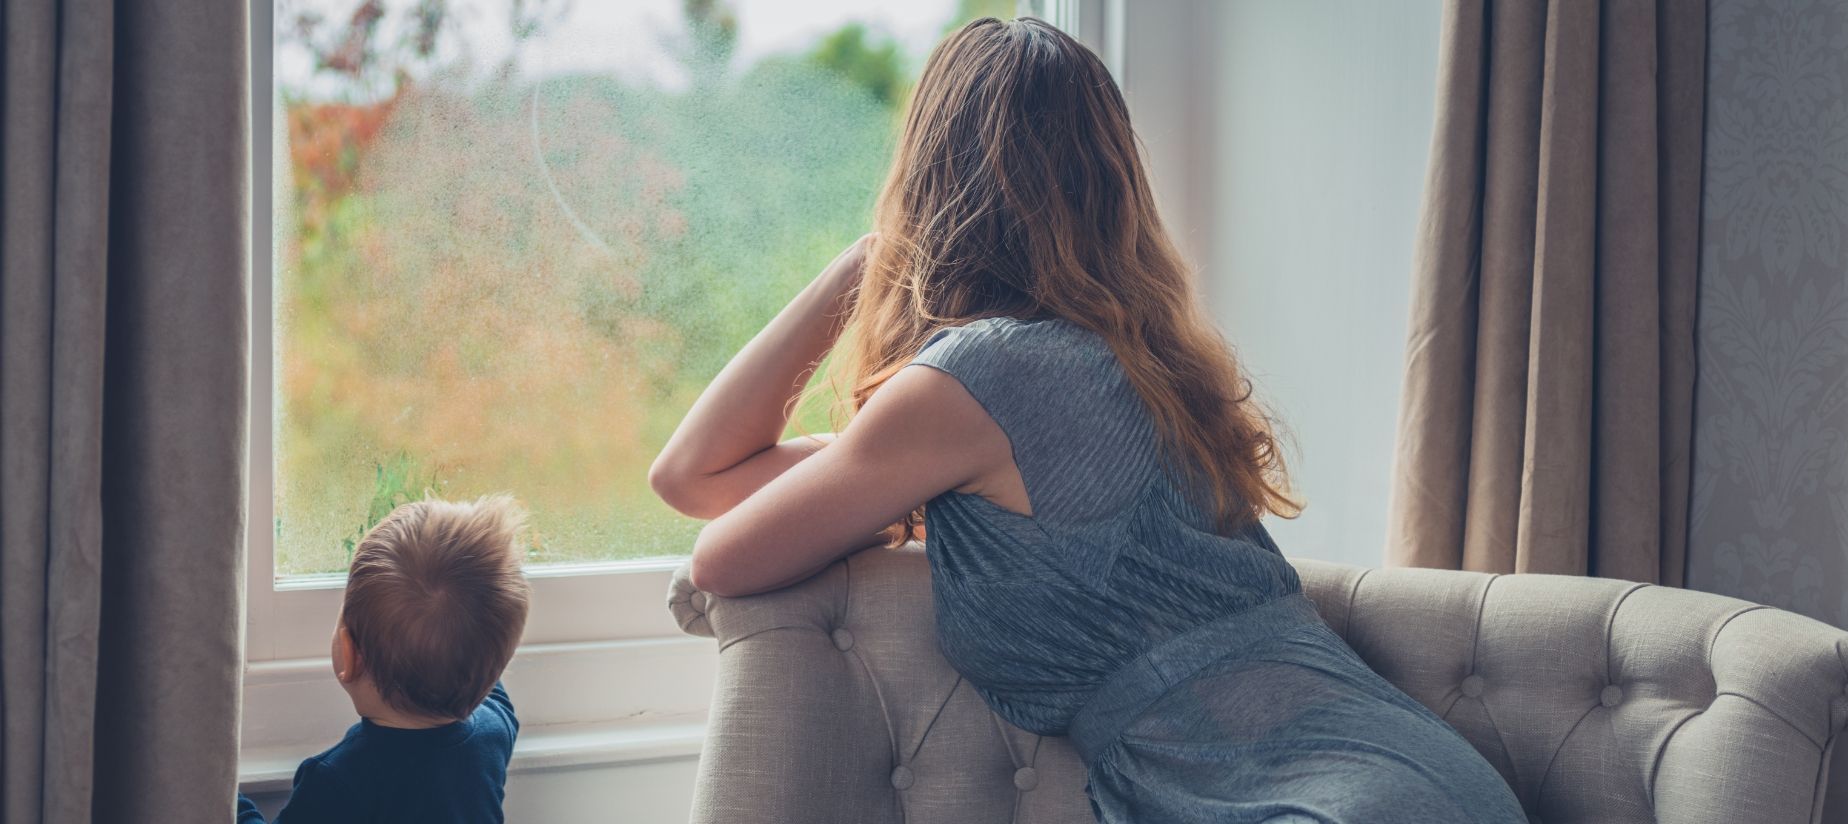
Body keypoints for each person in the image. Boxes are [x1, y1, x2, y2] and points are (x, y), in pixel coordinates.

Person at [649, 16, 1528, 824]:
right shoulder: (1138, 363)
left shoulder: (972, 383)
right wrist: (876, 258)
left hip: (1326, 801)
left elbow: (718, 548)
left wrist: (871, 256)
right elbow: (698, 481)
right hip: (1425, 779)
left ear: (930, 182)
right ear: (1113, 184)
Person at [237, 496, 530, 823]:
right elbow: (483, 661)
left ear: (350, 654)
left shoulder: (337, 781)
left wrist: (232, 802)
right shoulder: (494, 730)